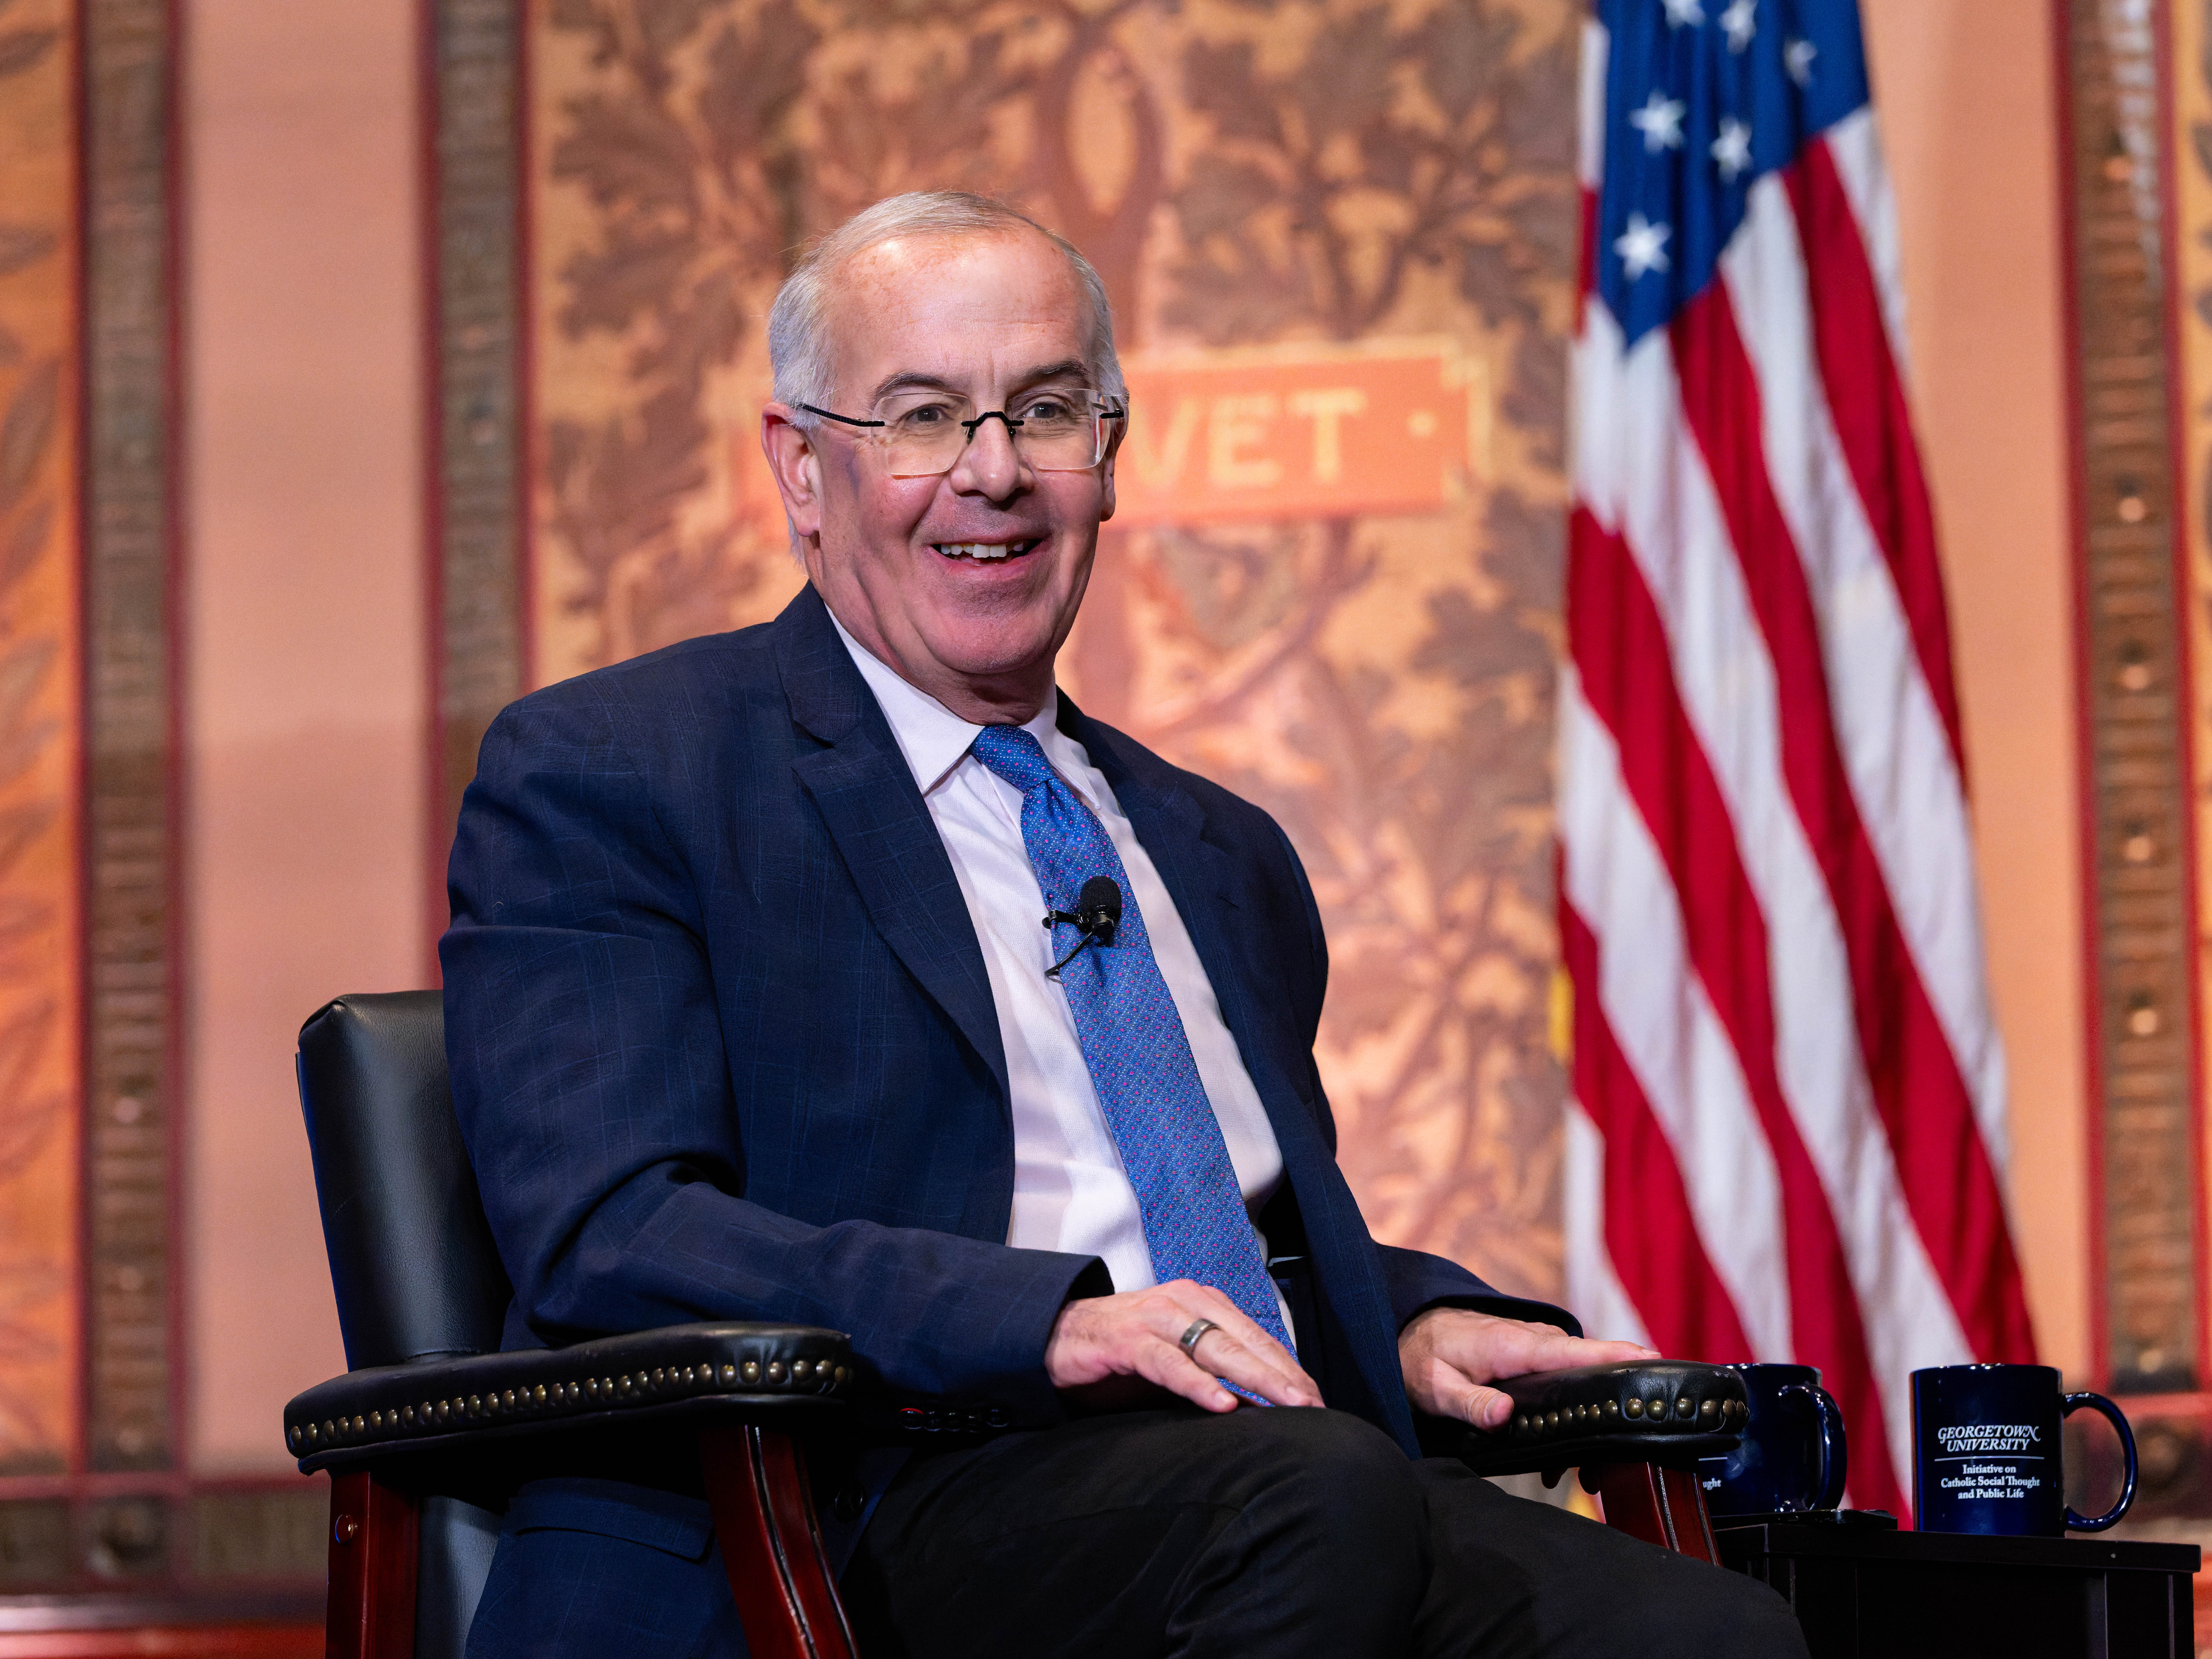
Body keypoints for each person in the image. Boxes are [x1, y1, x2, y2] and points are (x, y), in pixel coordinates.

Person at [442, 190, 1808, 1659]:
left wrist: (1395, 1320)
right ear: (801, 468)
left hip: (1248, 1484)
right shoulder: (618, 767)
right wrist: (1044, 1319)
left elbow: (1203, 1217)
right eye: (918, 416)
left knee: (1704, 1629)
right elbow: (610, 1231)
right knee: (1314, 1491)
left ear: (1108, 456)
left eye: (1045, 411)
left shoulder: (1219, 849)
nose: (993, 474)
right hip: (836, 1499)